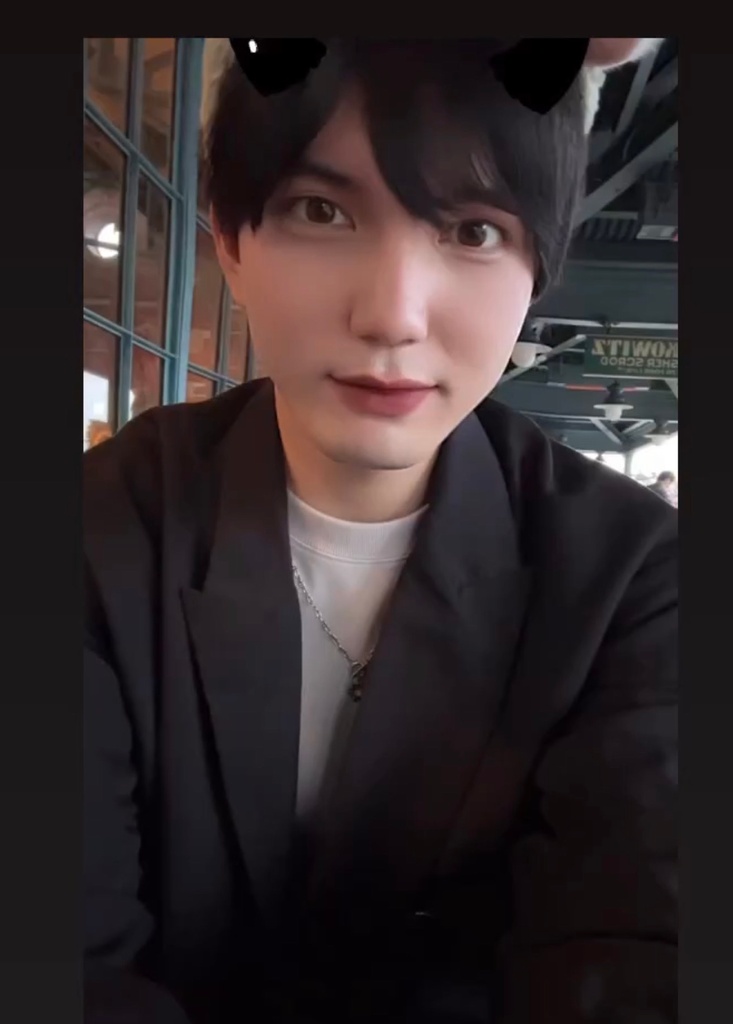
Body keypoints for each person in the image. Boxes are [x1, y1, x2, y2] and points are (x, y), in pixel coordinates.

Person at [84, 39, 677, 1024]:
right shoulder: (100, 530)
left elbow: (636, 950)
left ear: (539, 265)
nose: (393, 315)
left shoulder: (634, 580)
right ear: (230, 241)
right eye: (322, 211)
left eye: (474, 231)